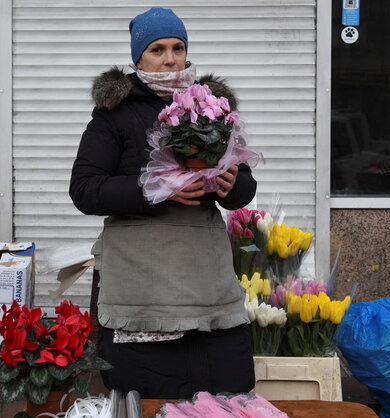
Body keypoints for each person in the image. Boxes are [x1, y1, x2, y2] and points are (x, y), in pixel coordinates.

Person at [69, 7, 257, 399]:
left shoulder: (212, 109)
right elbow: (85, 189)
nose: (170, 59)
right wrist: (156, 190)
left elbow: (244, 189)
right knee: (148, 395)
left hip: (205, 281)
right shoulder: (114, 115)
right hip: (143, 282)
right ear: (138, 58)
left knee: (224, 388)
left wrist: (231, 183)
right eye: (157, 49)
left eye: (177, 48)